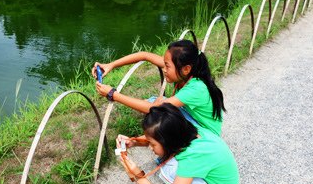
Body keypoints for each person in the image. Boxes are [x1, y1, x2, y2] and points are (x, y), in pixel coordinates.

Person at [117, 103, 239, 184]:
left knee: (169, 169)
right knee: (173, 165)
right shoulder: (190, 132)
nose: (150, 148)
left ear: (168, 141)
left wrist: (138, 176)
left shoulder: (191, 158)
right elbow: (161, 138)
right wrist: (134, 142)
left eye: (152, 144)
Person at [93, 39, 226, 136]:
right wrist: (111, 65)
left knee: (159, 112)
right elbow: (145, 56)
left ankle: (181, 151)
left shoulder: (196, 88)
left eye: (167, 66)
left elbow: (155, 109)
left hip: (207, 135)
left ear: (186, 69)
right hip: (192, 118)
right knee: (154, 102)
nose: (164, 69)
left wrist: (113, 94)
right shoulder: (183, 72)